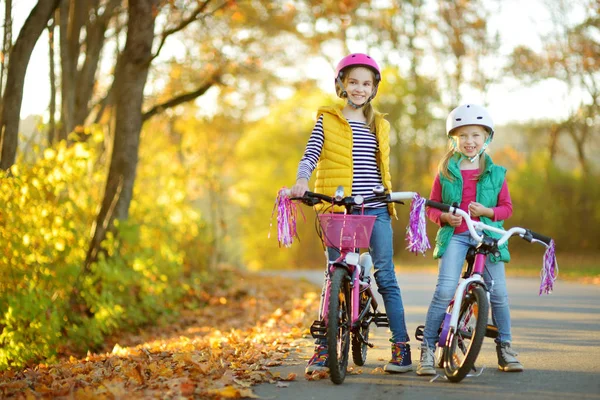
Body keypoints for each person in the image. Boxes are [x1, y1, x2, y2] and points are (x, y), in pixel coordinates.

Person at [290, 53, 412, 374]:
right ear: (342, 84)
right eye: (353, 82)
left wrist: (389, 193)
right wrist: (302, 180)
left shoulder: (380, 125)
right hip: (338, 206)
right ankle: (322, 349)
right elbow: (311, 153)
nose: (359, 88)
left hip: (374, 206)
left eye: (366, 83)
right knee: (334, 274)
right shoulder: (328, 118)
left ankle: (401, 348)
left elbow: (379, 169)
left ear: (374, 89)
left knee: (386, 277)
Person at [416, 104, 524, 376]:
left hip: (487, 238)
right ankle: (428, 349)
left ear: (486, 137)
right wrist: (444, 218)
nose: (469, 141)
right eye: (463, 136)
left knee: (498, 294)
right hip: (456, 235)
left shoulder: (497, 173)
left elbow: (507, 209)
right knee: (445, 289)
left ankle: (506, 348)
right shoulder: (445, 172)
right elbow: (431, 207)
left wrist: (487, 212)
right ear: (454, 138)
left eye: (475, 135)